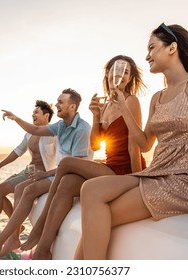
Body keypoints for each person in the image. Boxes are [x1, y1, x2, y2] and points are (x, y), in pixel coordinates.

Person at [75, 23, 188, 260]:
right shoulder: (157, 97)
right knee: (90, 189)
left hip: (187, 180)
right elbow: (145, 144)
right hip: (157, 173)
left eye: (152, 48)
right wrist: (124, 108)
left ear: (172, 48)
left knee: (100, 215)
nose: (146, 56)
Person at [20, 55, 147, 259]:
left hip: (125, 169)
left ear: (130, 78)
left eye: (126, 72)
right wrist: (96, 116)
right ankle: (43, 249)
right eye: (117, 70)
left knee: (68, 162)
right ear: (108, 73)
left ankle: (39, 229)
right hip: (110, 165)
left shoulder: (131, 101)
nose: (121, 75)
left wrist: (138, 180)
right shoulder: (104, 106)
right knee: (68, 182)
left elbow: (135, 148)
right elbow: (96, 144)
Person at [0, 88, 93, 257]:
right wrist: (16, 118)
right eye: (56, 101)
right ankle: (10, 235)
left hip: (67, 175)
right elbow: (29, 138)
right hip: (51, 172)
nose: (56, 104)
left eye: (60, 102)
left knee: (26, 189)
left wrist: (47, 174)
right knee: (15, 189)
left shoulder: (81, 129)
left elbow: (76, 165)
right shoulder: (60, 127)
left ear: (72, 107)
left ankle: (4, 239)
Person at [0, 100, 56, 244]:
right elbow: (17, 152)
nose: (33, 114)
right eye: (32, 112)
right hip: (27, 171)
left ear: (46, 115)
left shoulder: (54, 133)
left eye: (36, 112)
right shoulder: (29, 135)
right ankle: (10, 228)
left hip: (41, 174)